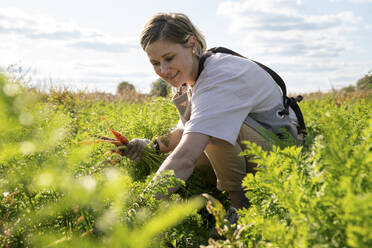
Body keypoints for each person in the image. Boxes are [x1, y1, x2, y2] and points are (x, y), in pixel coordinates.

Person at [123, 12, 300, 212]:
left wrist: (141, 206)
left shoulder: (219, 75)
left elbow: (186, 155)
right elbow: (183, 131)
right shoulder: (184, 80)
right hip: (259, 148)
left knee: (209, 135)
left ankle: (239, 207)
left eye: (169, 58)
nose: (163, 70)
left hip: (284, 155)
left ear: (191, 44)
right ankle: (210, 198)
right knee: (198, 139)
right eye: (155, 63)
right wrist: (152, 146)